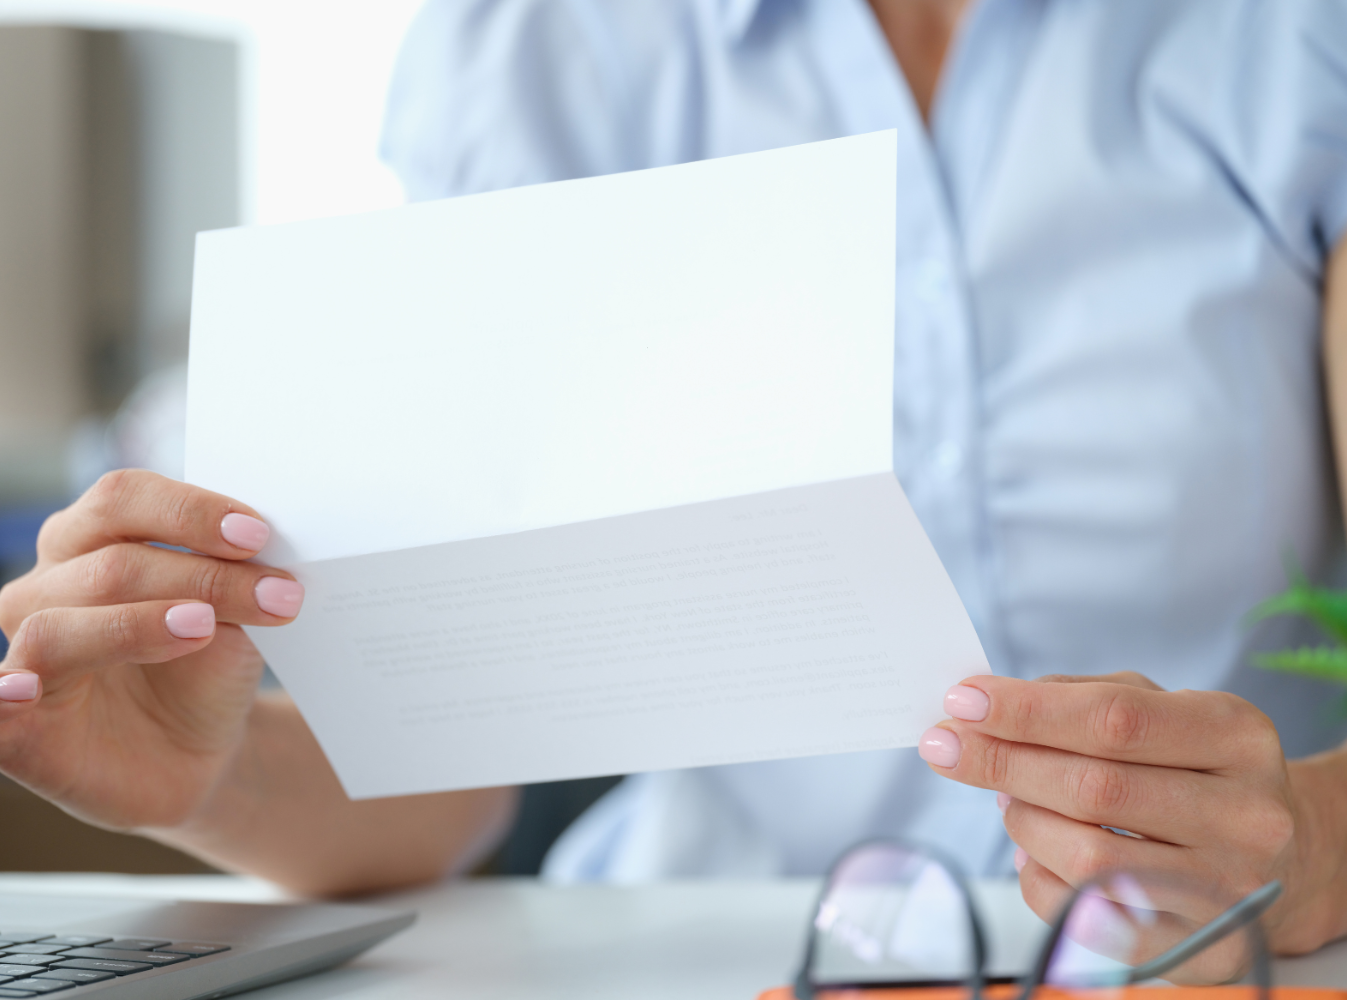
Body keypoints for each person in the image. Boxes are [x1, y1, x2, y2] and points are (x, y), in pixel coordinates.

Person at [2, 0, 1347, 958]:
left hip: (1204, 962)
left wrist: (1303, 843)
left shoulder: (1285, 42)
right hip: (689, 949)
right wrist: (208, 776)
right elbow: (473, 762)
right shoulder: (539, 48)